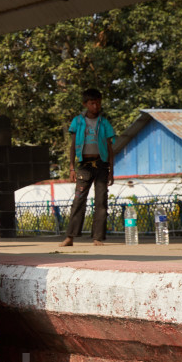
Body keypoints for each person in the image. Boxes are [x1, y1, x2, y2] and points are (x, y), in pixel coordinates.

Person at [61, 88, 116, 246]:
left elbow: (109, 148)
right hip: (84, 166)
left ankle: (97, 238)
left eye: (98, 103)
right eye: (92, 103)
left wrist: (111, 170)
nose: (96, 106)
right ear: (85, 104)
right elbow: (72, 146)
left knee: (101, 201)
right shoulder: (77, 121)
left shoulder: (104, 122)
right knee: (78, 200)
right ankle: (70, 237)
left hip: (101, 165)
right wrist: (71, 168)